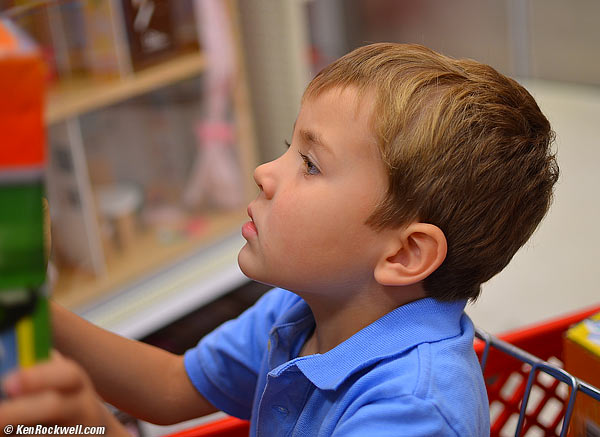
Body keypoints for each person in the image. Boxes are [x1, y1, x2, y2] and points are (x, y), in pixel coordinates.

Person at [0, 43, 558, 436]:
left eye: (309, 163)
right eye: (286, 146)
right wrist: (27, 305)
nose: (266, 171)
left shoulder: (412, 412)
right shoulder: (305, 312)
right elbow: (171, 388)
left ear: (404, 253)